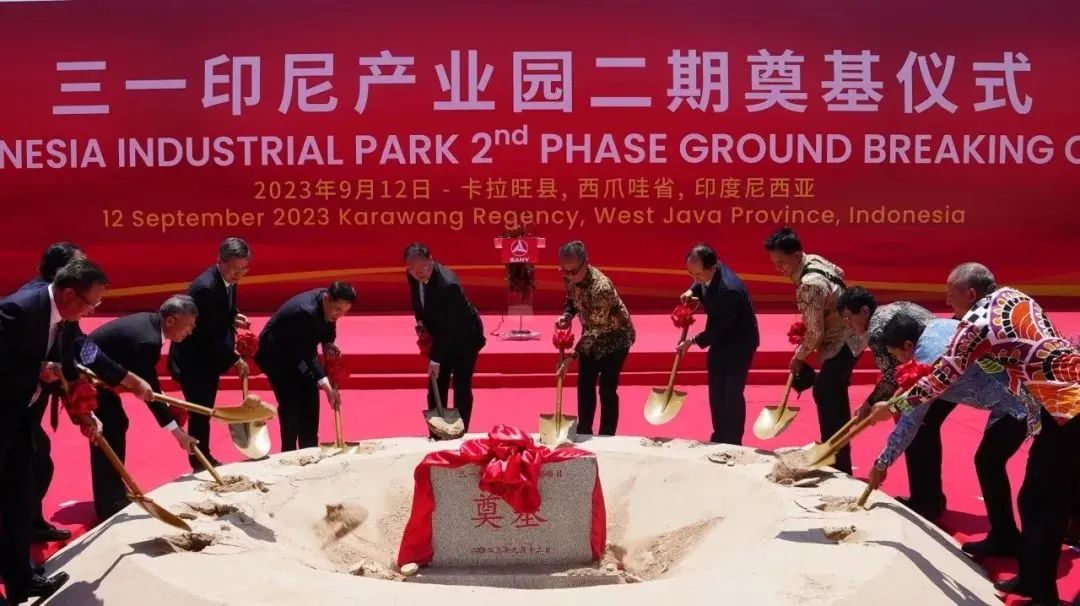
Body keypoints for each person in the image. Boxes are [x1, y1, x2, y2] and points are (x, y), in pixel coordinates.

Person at [868, 283, 1080, 605]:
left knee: (1041, 501)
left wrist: (894, 412)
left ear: (970, 293)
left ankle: (1041, 591)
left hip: (1061, 407)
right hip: (1050, 403)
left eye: (950, 293)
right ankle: (1032, 577)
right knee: (1035, 498)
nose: (946, 301)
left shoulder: (974, 325)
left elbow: (941, 377)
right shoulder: (1012, 297)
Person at [0, 259, 153, 605]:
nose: (92, 311)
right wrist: (37, 370)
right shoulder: (18, 310)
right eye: (90, 303)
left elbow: (69, 366)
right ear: (69, 294)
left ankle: (22, 581)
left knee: (18, 503)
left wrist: (84, 412)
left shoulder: (65, 320)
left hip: (22, 421)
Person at [869, 312, 1027, 556]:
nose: (897, 360)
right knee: (989, 461)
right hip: (1011, 394)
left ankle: (1007, 538)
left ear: (908, 345)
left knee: (990, 462)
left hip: (1018, 402)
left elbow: (910, 420)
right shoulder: (938, 325)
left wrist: (882, 463)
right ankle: (1006, 534)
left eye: (896, 354)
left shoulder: (929, 362)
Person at [839, 286, 955, 519]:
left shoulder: (877, 332)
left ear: (864, 311)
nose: (848, 324)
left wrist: (870, 404)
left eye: (849, 318)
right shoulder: (889, 310)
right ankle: (930, 498)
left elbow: (892, 377)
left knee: (917, 431)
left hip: (939, 372)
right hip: (946, 361)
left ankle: (927, 503)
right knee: (924, 430)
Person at [86, 295, 200, 520]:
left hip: (105, 372)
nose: (190, 331)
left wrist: (166, 404)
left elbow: (150, 384)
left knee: (117, 424)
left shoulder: (151, 325)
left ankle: (113, 490)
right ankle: (108, 503)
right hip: (88, 375)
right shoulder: (147, 341)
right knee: (110, 428)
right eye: (188, 325)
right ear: (171, 321)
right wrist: (179, 434)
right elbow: (150, 394)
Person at [764, 227, 859, 474]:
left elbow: (815, 332)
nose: (778, 268)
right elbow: (840, 272)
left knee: (826, 393)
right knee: (834, 395)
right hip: (853, 337)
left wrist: (799, 356)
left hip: (842, 343)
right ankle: (839, 458)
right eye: (775, 263)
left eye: (782, 263)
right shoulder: (815, 259)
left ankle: (836, 461)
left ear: (797, 256)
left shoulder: (809, 284)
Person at [10, 242, 85, 545]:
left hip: (33, 398)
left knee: (36, 463)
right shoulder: (26, 305)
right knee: (34, 465)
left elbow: (79, 343)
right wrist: (38, 368)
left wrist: (120, 375)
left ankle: (29, 523)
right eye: (80, 267)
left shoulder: (68, 302)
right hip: (13, 400)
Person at [169, 237, 251, 471]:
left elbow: (223, 308)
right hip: (194, 359)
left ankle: (202, 456)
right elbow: (206, 334)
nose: (239, 273)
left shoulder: (228, 279)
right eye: (235, 268)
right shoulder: (205, 288)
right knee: (200, 412)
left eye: (244, 268)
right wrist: (235, 358)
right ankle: (199, 461)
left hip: (209, 358)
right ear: (220, 261)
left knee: (205, 409)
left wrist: (234, 315)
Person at [676, 243, 759, 445]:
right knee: (716, 391)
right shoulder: (710, 270)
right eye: (691, 274)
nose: (695, 278)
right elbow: (700, 282)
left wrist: (692, 341)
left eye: (698, 275)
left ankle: (732, 442)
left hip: (739, 342)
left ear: (712, 267)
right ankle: (719, 434)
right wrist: (691, 290)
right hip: (720, 340)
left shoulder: (729, 290)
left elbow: (722, 328)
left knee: (731, 393)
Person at [255, 282, 354, 451]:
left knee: (310, 396)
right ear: (326, 298)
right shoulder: (306, 312)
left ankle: (309, 447)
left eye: (345, 312)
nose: (340, 315)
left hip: (299, 351)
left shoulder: (329, 306)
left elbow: (329, 325)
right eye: (338, 310)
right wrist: (328, 388)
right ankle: (288, 451)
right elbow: (307, 355)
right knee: (291, 401)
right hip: (276, 354)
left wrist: (328, 344)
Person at [555, 241, 635, 436]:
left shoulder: (601, 287)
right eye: (565, 271)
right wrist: (568, 315)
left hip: (616, 338)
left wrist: (572, 358)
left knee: (607, 389)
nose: (569, 276)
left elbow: (596, 328)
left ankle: (607, 435)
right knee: (585, 384)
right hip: (591, 333)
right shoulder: (570, 275)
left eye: (573, 272)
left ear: (586, 263)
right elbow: (572, 298)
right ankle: (584, 430)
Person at [404, 243, 485, 435]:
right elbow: (419, 302)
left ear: (431, 260)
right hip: (441, 333)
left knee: (461, 385)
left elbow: (450, 328)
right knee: (436, 385)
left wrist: (436, 358)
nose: (418, 273)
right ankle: (437, 433)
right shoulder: (412, 275)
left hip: (465, 336)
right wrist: (421, 324)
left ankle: (460, 433)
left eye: (422, 267)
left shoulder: (449, 286)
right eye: (413, 269)